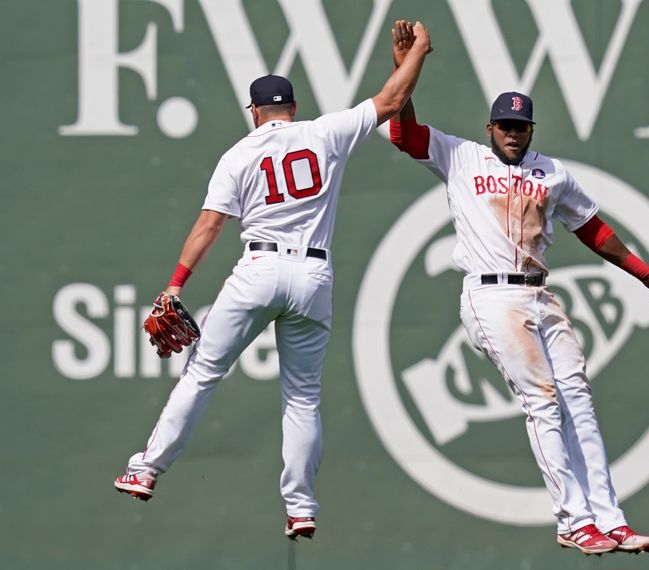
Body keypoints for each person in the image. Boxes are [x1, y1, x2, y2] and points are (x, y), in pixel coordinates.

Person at [113, 20, 433, 541]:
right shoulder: (325, 131)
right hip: (313, 274)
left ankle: (146, 469)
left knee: (201, 375)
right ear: (293, 108)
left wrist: (175, 285)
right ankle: (301, 507)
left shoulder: (239, 154)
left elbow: (210, 224)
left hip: (258, 269)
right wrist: (416, 53)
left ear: (255, 112)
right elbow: (393, 101)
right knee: (303, 396)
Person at [388, 21, 649, 555]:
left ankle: (610, 518)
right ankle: (572, 519)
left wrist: (648, 276)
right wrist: (404, 70)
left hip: (540, 293)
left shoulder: (553, 173)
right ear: (489, 127)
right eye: (505, 124)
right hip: (490, 297)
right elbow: (404, 134)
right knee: (543, 399)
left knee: (578, 398)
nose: (513, 132)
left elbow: (593, 230)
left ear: (532, 130)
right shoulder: (462, 157)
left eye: (522, 125)